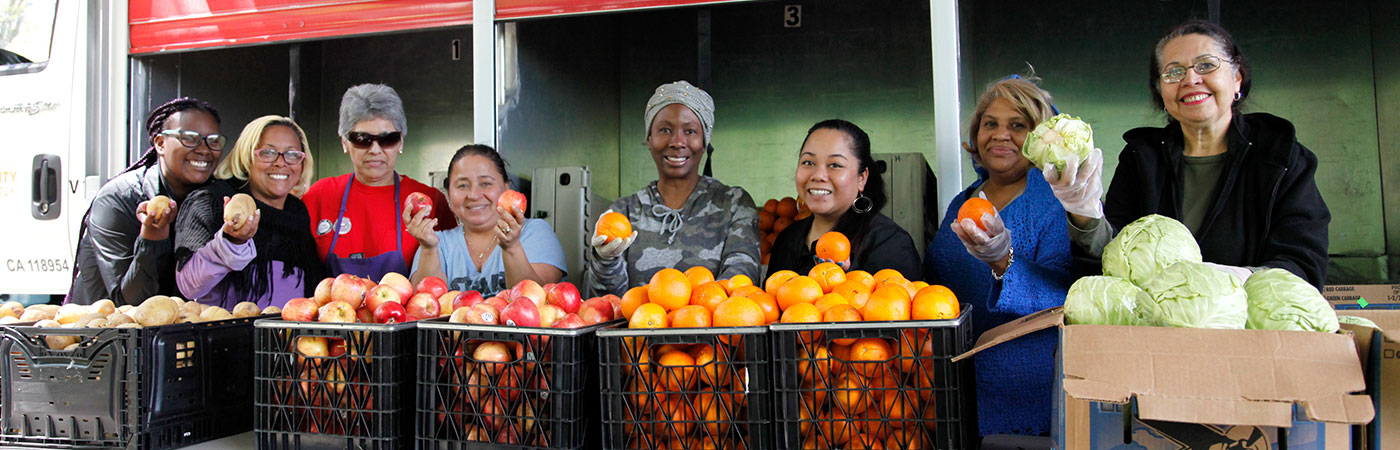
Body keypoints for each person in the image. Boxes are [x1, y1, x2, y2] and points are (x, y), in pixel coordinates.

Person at [1047, 20, 1330, 288]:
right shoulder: (1141, 158)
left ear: (1237, 79)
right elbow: (1109, 261)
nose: (1190, 79)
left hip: (1250, 329)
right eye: (1173, 71)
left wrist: (1231, 281)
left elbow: (1304, 267)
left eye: (1206, 65)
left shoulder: (1280, 157)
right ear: (1160, 91)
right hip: (1153, 329)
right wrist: (1084, 215)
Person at [923, 75, 1075, 436]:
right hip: (954, 388)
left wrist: (1002, 261)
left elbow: (1066, 297)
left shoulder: (1058, 202)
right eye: (990, 123)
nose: (1000, 134)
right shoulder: (963, 202)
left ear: (1040, 140)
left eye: (1018, 125)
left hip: (1027, 393)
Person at [586, 81, 761, 296]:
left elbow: (739, 288)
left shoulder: (733, 204)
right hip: (641, 327)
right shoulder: (624, 212)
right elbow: (610, 303)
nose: (677, 142)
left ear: (704, 141)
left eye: (690, 131)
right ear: (649, 139)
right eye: (665, 130)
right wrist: (605, 260)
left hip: (708, 327)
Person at [69, 98, 225, 305]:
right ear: (160, 143)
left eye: (213, 140)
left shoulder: (215, 198)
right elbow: (130, 301)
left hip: (177, 329)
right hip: (109, 331)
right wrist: (152, 237)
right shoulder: (118, 198)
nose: (204, 149)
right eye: (190, 138)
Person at [302, 84, 455, 282]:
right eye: (362, 139)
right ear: (344, 143)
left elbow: (450, 271)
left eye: (387, 139)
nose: (375, 149)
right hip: (335, 311)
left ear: (400, 142)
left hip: (408, 313)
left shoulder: (430, 201)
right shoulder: (320, 196)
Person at [173, 116, 324, 309]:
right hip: (227, 335)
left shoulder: (299, 213)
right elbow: (189, 285)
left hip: (286, 337)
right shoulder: (213, 203)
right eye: (268, 153)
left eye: (292, 154)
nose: (281, 162)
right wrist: (232, 242)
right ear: (247, 157)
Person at [767, 119, 920, 278]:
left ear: (861, 178)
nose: (818, 175)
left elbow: (894, 300)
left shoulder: (890, 243)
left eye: (835, 165)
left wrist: (845, 279)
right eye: (808, 162)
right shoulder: (787, 239)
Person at [408, 145, 566, 293]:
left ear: (506, 187)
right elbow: (424, 304)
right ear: (449, 193)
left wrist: (512, 247)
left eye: (486, 183)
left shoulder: (534, 232)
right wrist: (429, 249)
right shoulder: (437, 242)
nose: (474, 195)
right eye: (462, 185)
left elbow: (535, 302)